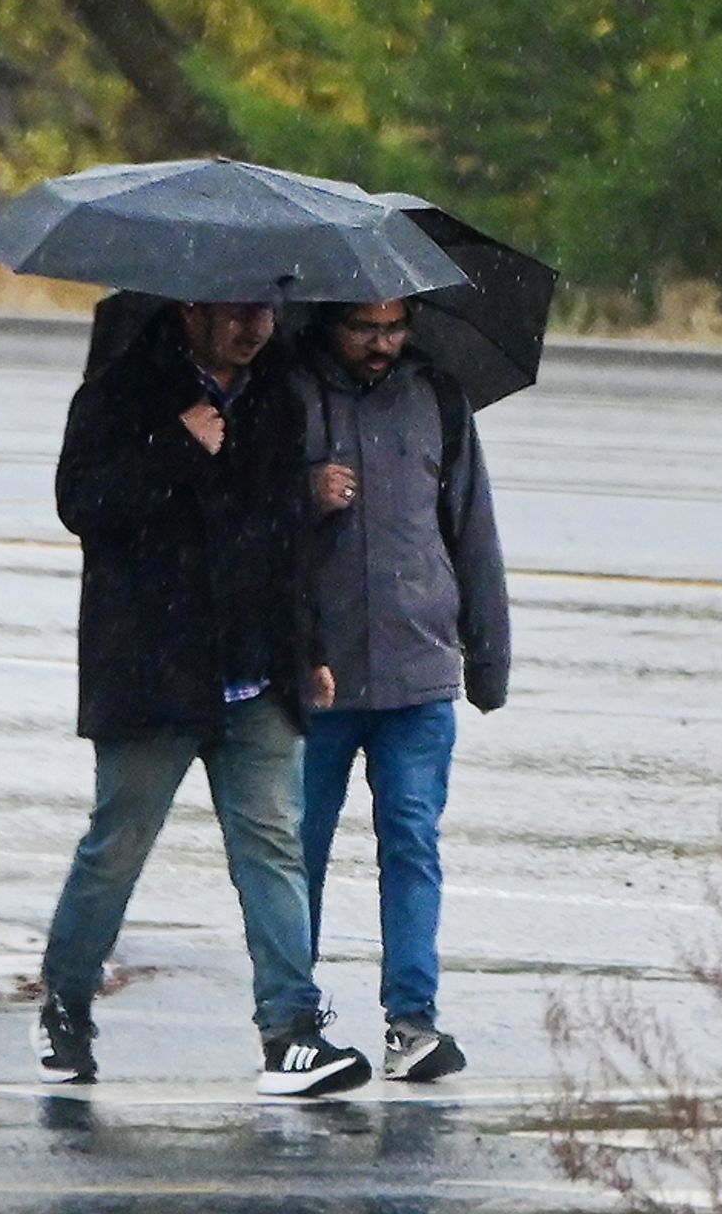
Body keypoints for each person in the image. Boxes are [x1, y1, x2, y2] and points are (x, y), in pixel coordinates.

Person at [37, 294, 372, 1098]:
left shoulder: (276, 395)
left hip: (258, 666)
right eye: (239, 310)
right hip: (157, 670)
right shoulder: (120, 393)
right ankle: (65, 1001)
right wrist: (174, 446)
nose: (256, 326)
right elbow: (83, 506)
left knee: (274, 848)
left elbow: (281, 539)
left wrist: (311, 648)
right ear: (192, 307)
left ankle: (291, 1032)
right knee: (119, 845)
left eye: (267, 310)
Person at [288, 295, 512, 1086]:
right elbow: (240, 521)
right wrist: (303, 493)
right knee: (298, 851)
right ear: (327, 323)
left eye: (394, 327)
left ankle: (411, 1023)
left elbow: (472, 530)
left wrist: (488, 657)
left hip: (419, 672)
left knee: (413, 841)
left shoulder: (438, 399)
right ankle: (293, 1020)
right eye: (364, 328)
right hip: (316, 673)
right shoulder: (286, 395)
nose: (382, 343)